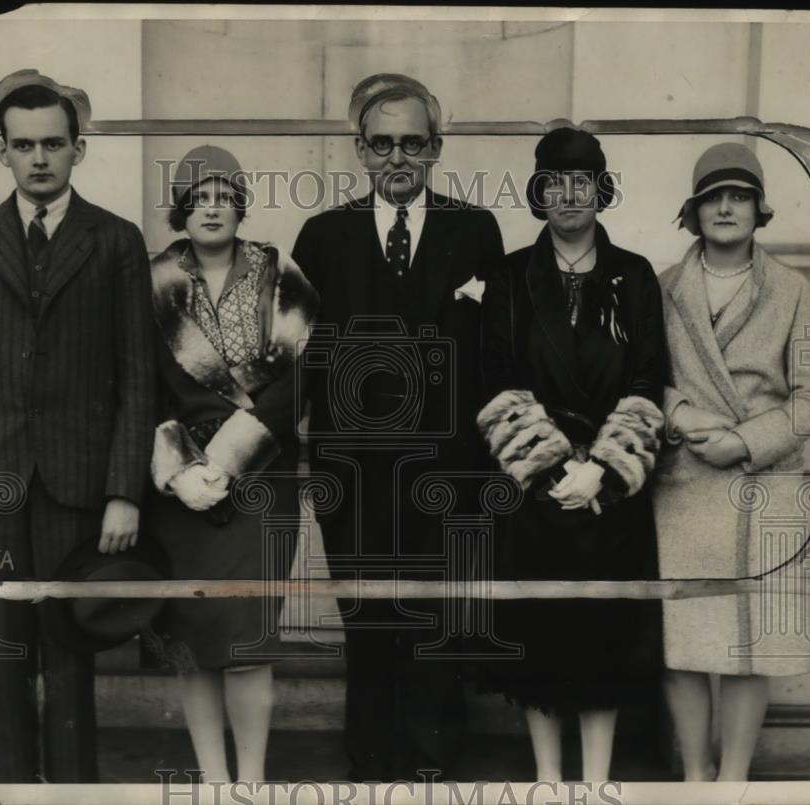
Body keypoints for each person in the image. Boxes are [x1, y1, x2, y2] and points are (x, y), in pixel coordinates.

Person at [0, 69, 157, 782]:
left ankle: (75, 795)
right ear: (2, 152)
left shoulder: (115, 240)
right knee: (1, 655)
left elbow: (137, 376)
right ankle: (14, 793)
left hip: (77, 484)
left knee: (71, 650)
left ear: (78, 149)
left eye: (54, 143)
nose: (40, 158)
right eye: (24, 145)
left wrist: (124, 490)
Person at [292, 73, 505, 781]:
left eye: (412, 142)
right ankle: (372, 763)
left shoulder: (477, 231)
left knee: (438, 613)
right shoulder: (321, 237)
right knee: (368, 618)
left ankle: (435, 763)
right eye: (381, 143)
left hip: (449, 467)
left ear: (436, 146)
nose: (397, 157)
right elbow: (302, 359)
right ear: (359, 149)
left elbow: (493, 352)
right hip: (350, 469)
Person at [477, 128, 666, 781]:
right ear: (538, 193)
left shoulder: (635, 275)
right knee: (542, 641)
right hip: (539, 492)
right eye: (554, 182)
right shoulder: (508, 278)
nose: (568, 195)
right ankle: (549, 781)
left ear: (601, 191)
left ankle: (596, 783)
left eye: (581, 182)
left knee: (603, 641)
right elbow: (496, 380)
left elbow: (648, 380)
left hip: (609, 496)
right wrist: (556, 467)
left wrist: (603, 470)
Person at [144, 145, 318, 782]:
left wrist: (229, 458)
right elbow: (141, 386)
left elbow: (299, 378)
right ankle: (213, 784)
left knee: (248, 644)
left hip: (261, 481)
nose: (211, 208)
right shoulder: (154, 279)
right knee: (195, 646)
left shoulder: (281, 274)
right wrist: (179, 470)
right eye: (198, 197)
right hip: (184, 491)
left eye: (224, 196)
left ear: (240, 205)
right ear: (181, 209)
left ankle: (251, 783)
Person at [654, 142, 810, 781]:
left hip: (763, 486)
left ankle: (734, 780)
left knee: (756, 646)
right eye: (712, 197)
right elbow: (641, 379)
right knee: (684, 643)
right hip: (685, 484)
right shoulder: (663, 287)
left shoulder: (794, 290)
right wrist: (681, 415)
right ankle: (696, 776)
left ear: (758, 209)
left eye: (740, 195)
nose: (726, 207)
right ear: (693, 212)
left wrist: (748, 442)